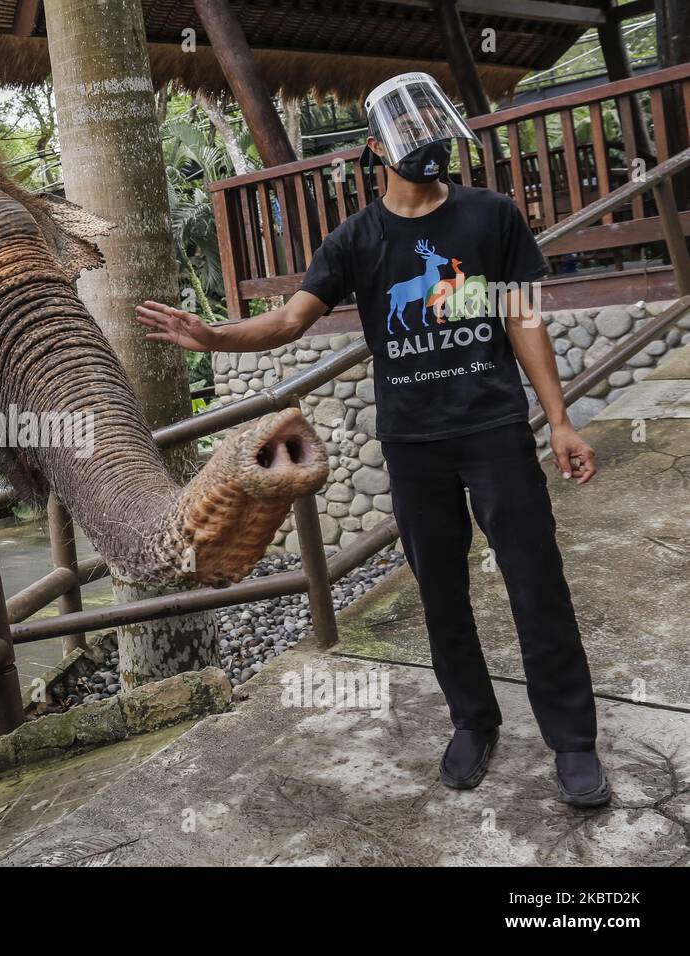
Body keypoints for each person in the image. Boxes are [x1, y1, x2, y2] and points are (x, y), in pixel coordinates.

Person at [136, 72, 610, 807]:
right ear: (375, 150)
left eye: (431, 129)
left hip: (493, 431)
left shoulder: (492, 216)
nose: (425, 145)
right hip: (414, 442)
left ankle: (574, 742)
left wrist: (559, 419)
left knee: (535, 581)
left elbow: (523, 320)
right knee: (442, 590)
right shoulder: (355, 240)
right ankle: (473, 723)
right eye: (408, 135)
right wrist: (214, 337)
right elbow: (291, 321)